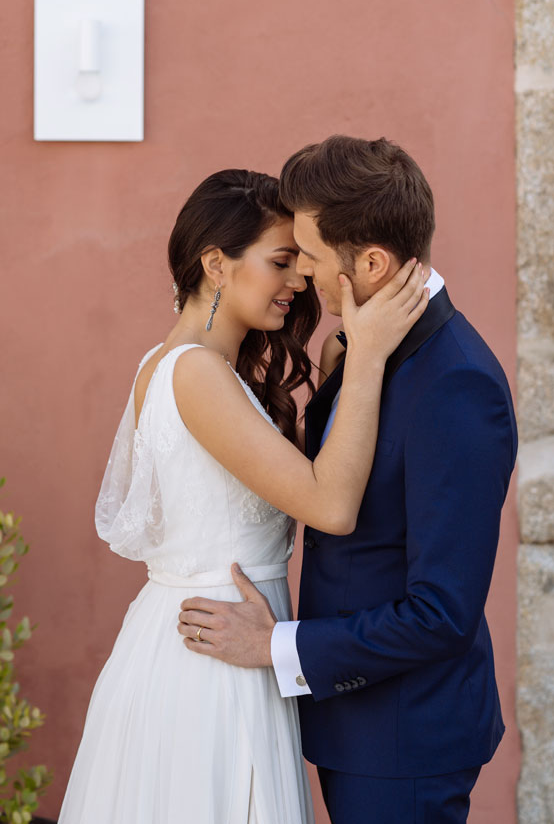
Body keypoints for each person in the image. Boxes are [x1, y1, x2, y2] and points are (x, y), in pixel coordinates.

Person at [58, 166, 428, 824]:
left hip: (229, 643)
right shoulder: (195, 373)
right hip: (210, 666)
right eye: (281, 261)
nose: (297, 281)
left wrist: (334, 377)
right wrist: (370, 357)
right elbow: (332, 507)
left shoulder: (195, 367)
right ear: (215, 264)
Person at [178, 137, 518, 824]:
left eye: (310, 253)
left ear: (370, 262)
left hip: (406, 741)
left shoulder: (457, 385)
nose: (299, 272)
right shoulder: (364, 347)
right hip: (353, 725)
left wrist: (273, 646)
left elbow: (442, 614)